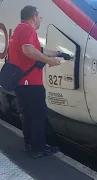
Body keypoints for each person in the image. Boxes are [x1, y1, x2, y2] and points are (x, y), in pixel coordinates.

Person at [8, 5, 71, 159]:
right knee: (38, 116)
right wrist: (50, 61)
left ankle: (30, 145)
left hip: (23, 83)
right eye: (40, 17)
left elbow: (37, 49)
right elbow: (29, 50)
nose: (40, 20)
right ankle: (39, 149)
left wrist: (59, 53)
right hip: (31, 83)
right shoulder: (27, 29)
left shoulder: (20, 29)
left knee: (28, 115)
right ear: (34, 17)